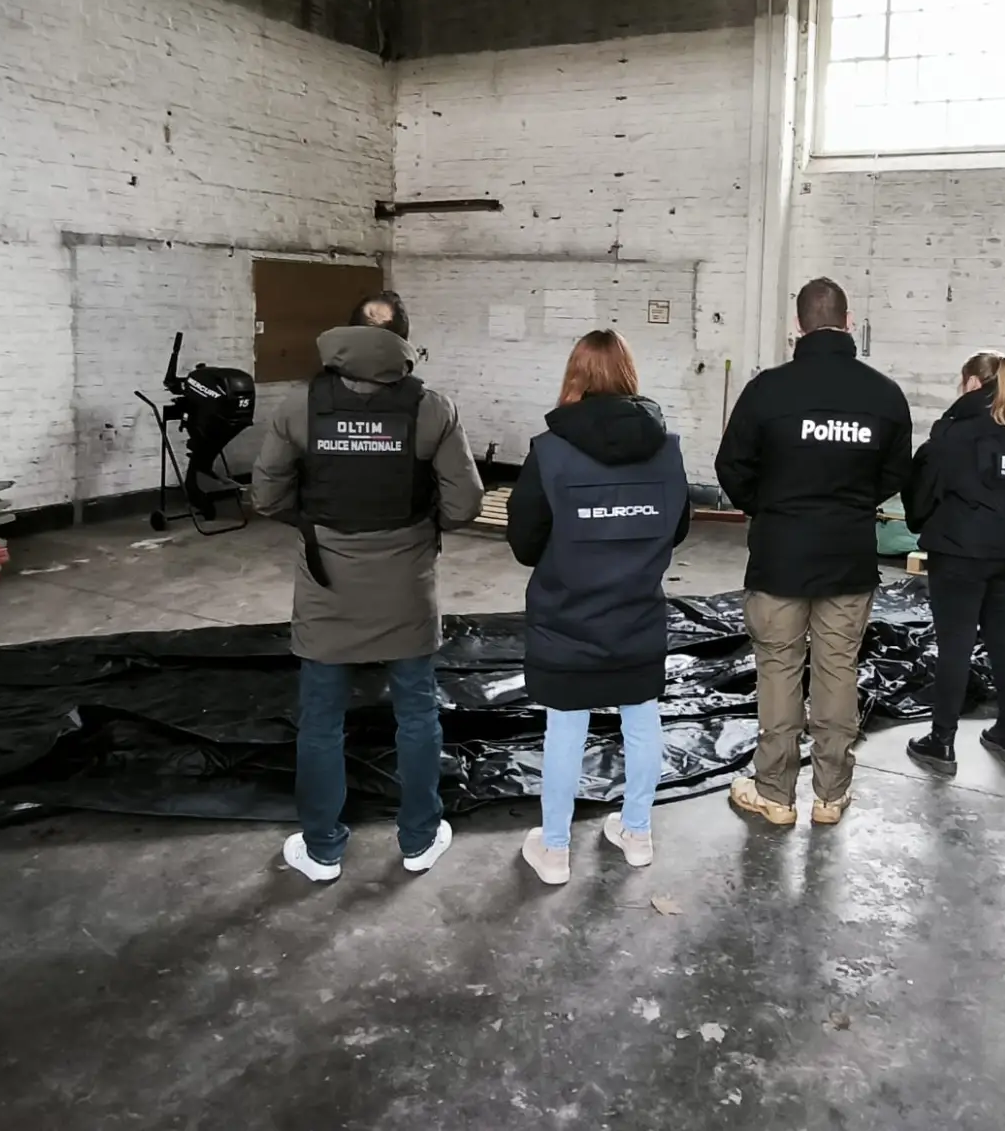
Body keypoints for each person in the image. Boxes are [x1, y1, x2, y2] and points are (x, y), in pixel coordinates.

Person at [251, 318, 484, 882]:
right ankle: (419, 839)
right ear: (403, 344)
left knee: (321, 720)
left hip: (327, 584)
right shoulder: (432, 409)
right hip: (406, 585)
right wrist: (418, 529)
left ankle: (322, 850)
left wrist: (320, 526)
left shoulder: (299, 407)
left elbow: (266, 496)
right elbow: (465, 504)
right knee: (417, 712)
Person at [715, 277, 912, 825]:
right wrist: (852, 503)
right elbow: (896, 471)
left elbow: (731, 466)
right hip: (848, 556)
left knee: (779, 670)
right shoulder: (884, 395)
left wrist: (770, 506)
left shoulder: (767, 391)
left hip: (779, 555)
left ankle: (775, 795)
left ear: (797, 327)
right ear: (849, 323)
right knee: (838, 670)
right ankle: (831, 794)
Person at [505, 330, 691, 884]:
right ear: (629, 374)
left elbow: (524, 542)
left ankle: (555, 849)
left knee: (565, 729)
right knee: (642, 721)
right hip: (637, 613)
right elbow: (678, 527)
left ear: (575, 376)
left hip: (568, 617)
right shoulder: (667, 449)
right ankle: (637, 833)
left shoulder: (549, 451)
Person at [902, 352, 1005, 771]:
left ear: (972, 383)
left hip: (961, 553)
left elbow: (921, 490)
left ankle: (941, 742)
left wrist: (927, 523)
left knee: (956, 643)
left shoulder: (956, 432)